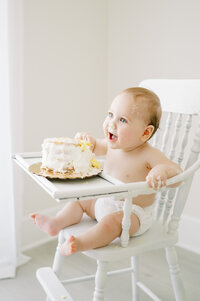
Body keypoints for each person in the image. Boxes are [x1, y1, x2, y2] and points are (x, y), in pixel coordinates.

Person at [30, 87, 182, 256]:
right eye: (110, 115)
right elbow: (93, 148)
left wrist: (161, 171)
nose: (111, 123)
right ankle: (56, 223)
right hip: (104, 201)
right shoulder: (111, 145)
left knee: (112, 223)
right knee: (80, 200)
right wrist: (88, 141)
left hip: (132, 214)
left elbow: (177, 173)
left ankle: (81, 242)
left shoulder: (148, 154)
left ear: (145, 133)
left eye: (122, 120)